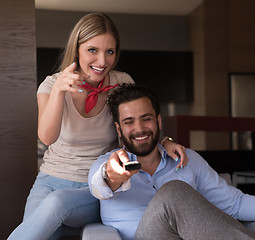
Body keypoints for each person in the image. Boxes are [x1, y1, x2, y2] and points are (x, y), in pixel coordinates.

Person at [8, 13, 188, 240]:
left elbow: (137, 126)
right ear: (77, 49)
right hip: (49, 182)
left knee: (56, 203)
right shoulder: (52, 84)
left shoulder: (121, 83)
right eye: (93, 50)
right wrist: (58, 92)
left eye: (109, 52)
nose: (102, 61)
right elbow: (47, 137)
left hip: (95, 185)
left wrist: (164, 141)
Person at [88, 83, 255, 240]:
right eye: (129, 122)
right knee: (173, 191)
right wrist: (112, 176)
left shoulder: (186, 160)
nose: (140, 128)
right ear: (119, 130)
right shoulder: (105, 165)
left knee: (184, 192)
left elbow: (233, 203)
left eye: (146, 119)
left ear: (159, 122)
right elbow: (99, 183)